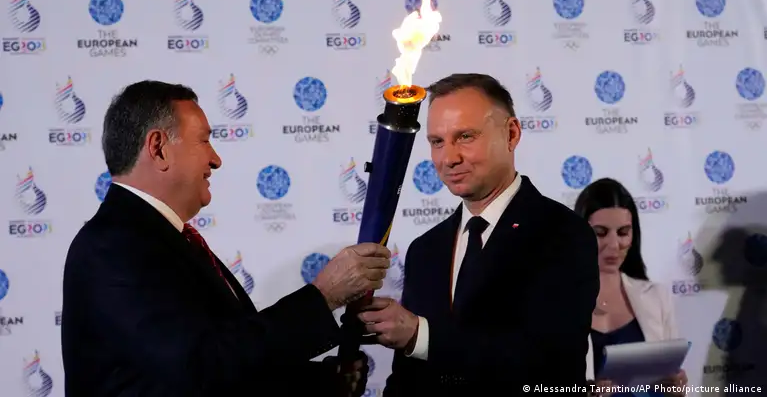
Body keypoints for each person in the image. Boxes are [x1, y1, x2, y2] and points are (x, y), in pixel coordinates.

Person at [61, 80, 387, 397]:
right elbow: (199, 368)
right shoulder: (114, 246)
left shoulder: (162, 239)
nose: (215, 159)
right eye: (203, 140)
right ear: (158, 148)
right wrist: (324, 296)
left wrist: (320, 382)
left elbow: (227, 358)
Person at [356, 73, 600, 394]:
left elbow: (547, 364)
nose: (449, 158)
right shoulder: (425, 250)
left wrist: (421, 336)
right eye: (437, 142)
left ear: (511, 134)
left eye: (465, 136)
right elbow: (408, 379)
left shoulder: (563, 234)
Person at [573, 178, 688, 397]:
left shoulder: (657, 297)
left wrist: (677, 390)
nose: (614, 245)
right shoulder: (555, 303)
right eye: (600, 233)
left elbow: (673, 380)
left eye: (623, 232)